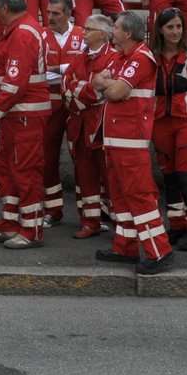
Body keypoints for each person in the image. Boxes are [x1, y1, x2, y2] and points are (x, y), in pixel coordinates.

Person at [91, 11, 176, 273]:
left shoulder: (141, 58)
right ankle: (124, 246)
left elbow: (114, 90)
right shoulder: (121, 56)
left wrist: (108, 84)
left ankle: (159, 252)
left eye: (115, 27)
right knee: (120, 197)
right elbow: (96, 79)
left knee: (139, 198)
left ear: (127, 33)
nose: (111, 31)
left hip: (130, 142)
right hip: (115, 140)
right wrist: (105, 83)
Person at [0, 0, 51, 249]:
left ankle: (31, 229)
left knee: (25, 172)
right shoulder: (19, 30)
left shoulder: (22, 33)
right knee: (8, 170)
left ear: (3, 7)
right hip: (15, 116)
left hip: (24, 116)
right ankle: (9, 223)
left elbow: (14, 84)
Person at [148, 7, 187, 250]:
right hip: (160, 123)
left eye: (179, 26)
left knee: (186, 175)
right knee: (170, 176)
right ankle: (176, 225)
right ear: (161, 30)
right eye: (170, 27)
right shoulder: (151, 56)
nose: (175, 31)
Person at [62, 14, 116, 237]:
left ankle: (120, 223)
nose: (83, 32)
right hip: (80, 125)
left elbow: (105, 91)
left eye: (88, 29)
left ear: (102, 34)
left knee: (111, 177)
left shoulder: (113, 57)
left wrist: (82, 90)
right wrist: (87, 90)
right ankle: (90, 222)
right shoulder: (79, 57)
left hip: (102, 127)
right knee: (85, 176)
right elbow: (66, 85)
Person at [40, 0, 85, 225]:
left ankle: (89, 212)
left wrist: (57, 68)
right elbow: (40, 72)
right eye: (48, 13)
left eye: (55, 13)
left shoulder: (83, 35)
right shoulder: (40, 36)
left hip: (76, 105)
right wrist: (70, 69)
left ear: (69, 13)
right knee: (48, 157)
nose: (50, 17)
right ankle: (53, 210)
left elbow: (88, 69)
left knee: (83, 157)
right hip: (50, 105)